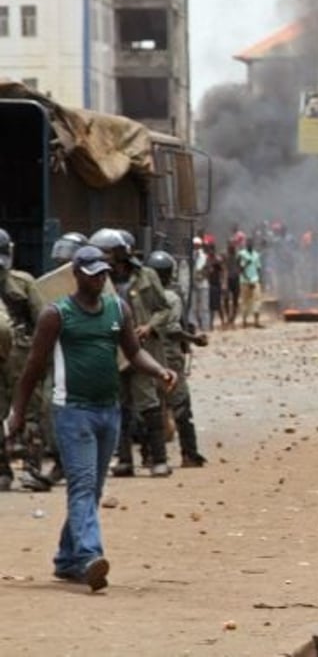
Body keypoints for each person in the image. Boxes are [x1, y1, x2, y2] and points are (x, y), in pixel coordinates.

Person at [7, 246, 176, 592]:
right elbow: (33, 368)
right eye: (92, 273)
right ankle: (89, 557)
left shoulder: (117, 308)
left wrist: (160, 371)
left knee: (93, 489)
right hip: (73, 412)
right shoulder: (57, 315)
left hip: (108, 410)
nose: (99, 279)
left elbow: (133, 352)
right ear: (77, 275)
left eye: (103, 273)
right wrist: (18, 413)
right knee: (82, 485)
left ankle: (66, 558)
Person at [89, 229, 173, 478]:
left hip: (140, 350)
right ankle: (124, 460)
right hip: (113, 351)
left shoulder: (146, 276)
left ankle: (159, 459)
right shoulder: (100, 281)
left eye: (106, 254)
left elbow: (164, 309)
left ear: (119, 253)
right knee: (119, 406)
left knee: (148, 402)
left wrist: (149, 326)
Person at [0, 228, 52, 491]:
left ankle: (8, 472)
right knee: (30, 410)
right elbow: (42, 319)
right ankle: (28, 470)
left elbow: (42, 319)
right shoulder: (22, 281)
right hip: (21, 352)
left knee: (15, 410)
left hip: (15, 354)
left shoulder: (23, 282)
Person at [146, 251, 209, 468]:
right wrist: (194, 339)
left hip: (147, 356)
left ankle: (150, 455)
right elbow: (173, 330)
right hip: (169, 357)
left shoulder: (142, 295)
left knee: (151, 406)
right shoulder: (171, 298)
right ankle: (189, 454)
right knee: (181, 405)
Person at [236, 239, 263, 329]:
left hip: (255, 280)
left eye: (251, 243)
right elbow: (240, 269)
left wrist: (259, 279)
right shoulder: (241, 254)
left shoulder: (256, 255)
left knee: (257, 300)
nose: (249, 244)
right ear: (246, 244)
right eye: (248, 243)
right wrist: (248, 280)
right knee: (245, 301)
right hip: (245, 281)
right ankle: (244, 321)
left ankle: (256, 321)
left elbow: (258, 268)